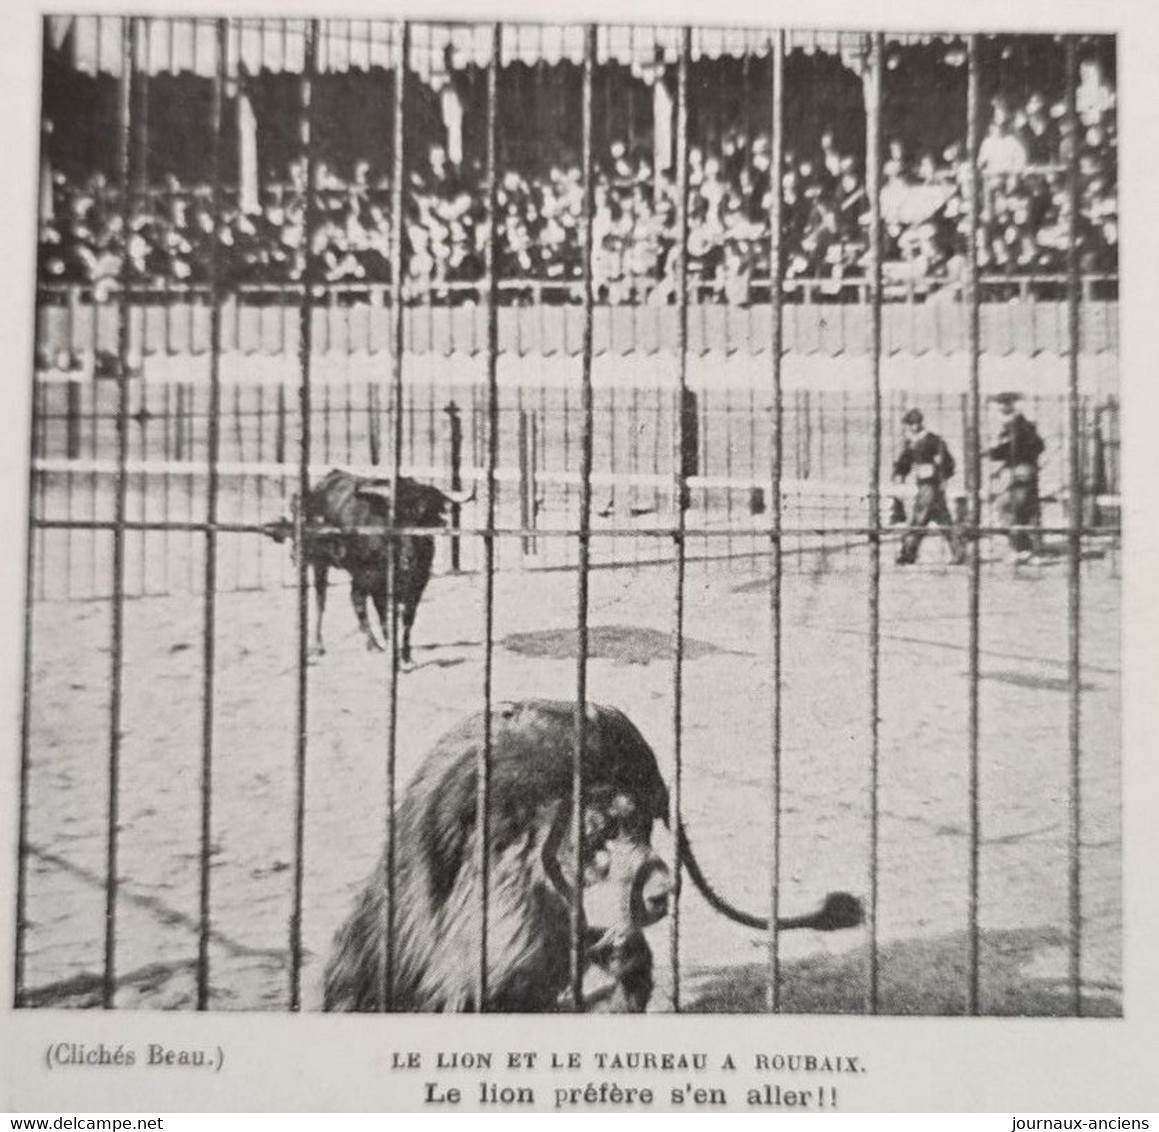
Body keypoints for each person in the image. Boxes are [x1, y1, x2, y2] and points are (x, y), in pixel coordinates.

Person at [892, 408, 964, 566]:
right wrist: (899, 473)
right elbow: (905, 461)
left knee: (918, 520)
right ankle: (959, 553)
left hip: (931, 485)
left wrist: (943, 476)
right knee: (943, 520)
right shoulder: (913, 442)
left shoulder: (933, 440)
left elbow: (947, 461)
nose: (913, 426)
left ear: (920, 423)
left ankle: (908, 554)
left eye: (915, 423)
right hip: (925, 485)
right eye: (911, 424)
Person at [987, 392, 1046, 562]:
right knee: (1019, 510)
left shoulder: (1021, 425)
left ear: (1011, 404)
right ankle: (1024, 549)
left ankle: (1027, 549)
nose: (1001, 406)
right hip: (1018, 472)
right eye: (999, 403)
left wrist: (992, 453)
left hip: (1022, 473)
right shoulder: (1012, 424)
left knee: (1010, 507)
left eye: (1004, 403)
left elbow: (1017, 448)